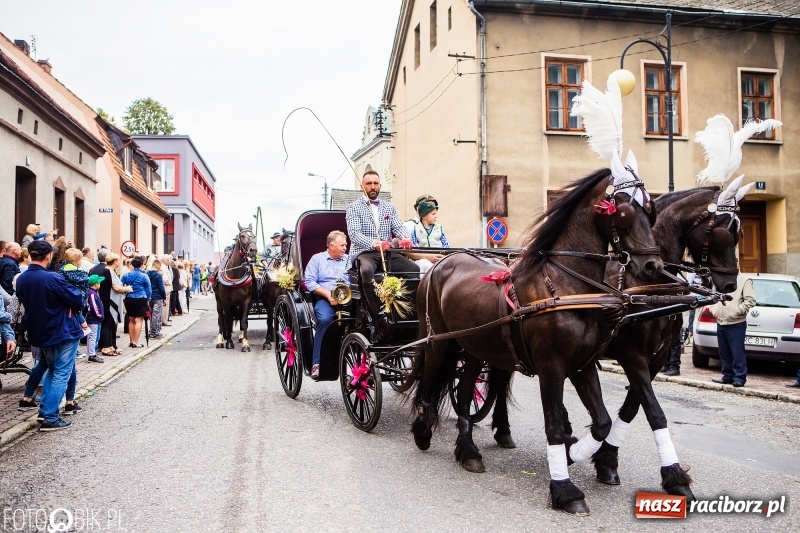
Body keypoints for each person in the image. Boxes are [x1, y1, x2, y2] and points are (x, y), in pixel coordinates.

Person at [16, 240, 84, 431]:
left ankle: (45, 411)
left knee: (53, 370)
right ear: (48, 256)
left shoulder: (22, 278)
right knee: (61, 372)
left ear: (30, 255)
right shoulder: (52, 278)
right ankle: (50, 416)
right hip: (61, 330)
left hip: (39, 331)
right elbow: (77, 299)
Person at [345, 170, 417, 322]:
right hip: (364, 252)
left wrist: (404, 237)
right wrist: (373, 243)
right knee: (366, 271)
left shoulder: (389, 207)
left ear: (380, 186)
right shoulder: (353, 207)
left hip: (387, 252)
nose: (372, 187)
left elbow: (398, 227)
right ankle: (375, 313)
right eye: (368, 183)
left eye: (375, 183)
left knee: (414, 269)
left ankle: (405, 310)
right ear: (361, 186)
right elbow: (354, 234)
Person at [304, 231, 349, 380]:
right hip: (325, 298)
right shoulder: (317, 259)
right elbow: (309, 281)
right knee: (324, 320)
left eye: (345, 245)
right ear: (331, 245)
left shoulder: (349, 260)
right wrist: (327, 294)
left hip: (348, 298)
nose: (345, 248)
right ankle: (317, 363)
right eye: (342, 245)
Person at [710, 273, 756, 387]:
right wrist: (714, 309)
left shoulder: (744, 280)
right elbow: (712, 295)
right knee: (724, 352)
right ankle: (727, 376)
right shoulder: (718, 278)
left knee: (737, 352)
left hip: (736, 322)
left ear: (736, 263)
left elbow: (750, 300)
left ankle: (739, 377)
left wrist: (737, 311)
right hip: (721, 320)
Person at [407, 199, 449, 273]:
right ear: (424, 216)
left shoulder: (440, 228)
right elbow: (414, 247)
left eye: (435, 214)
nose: (436, 216)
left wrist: (443, 255)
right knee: (425, 265)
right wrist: (426, 256)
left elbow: (446, 245)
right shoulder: (415, 229)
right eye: (433, 214)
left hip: (439, 257)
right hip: (423, 259)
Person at [121, 257, 151, 348]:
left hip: (129, 298)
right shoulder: (144, 275)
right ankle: (136, 342)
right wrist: (148, 299)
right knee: (139, 320)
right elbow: (148, 289)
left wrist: (125, 291)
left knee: (131, 320)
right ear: (141, 265)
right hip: (141, 298)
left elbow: (120, 284)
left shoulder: (127, 275)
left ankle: (131, 341)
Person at [85, 274, 105, 363]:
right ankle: (92, 355)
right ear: (96, 284)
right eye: (99, 282)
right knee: (92, 336)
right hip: (93, 318)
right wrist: (99, 315)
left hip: (95, 318)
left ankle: (92, 352)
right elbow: (94, 306)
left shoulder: (94, 292)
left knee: (95, 336)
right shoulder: (92, 294)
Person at [147, 259, 167, 339]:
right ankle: (155, 332)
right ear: (157, 265)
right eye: (160, 266)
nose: (160, 268)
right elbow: (161, 288)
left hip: (149, 296)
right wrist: (164, 297)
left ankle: (152, 331)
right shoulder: (158, 275)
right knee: (156, 314)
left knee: (151, 314)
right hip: (157, 296)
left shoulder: (147, 274)